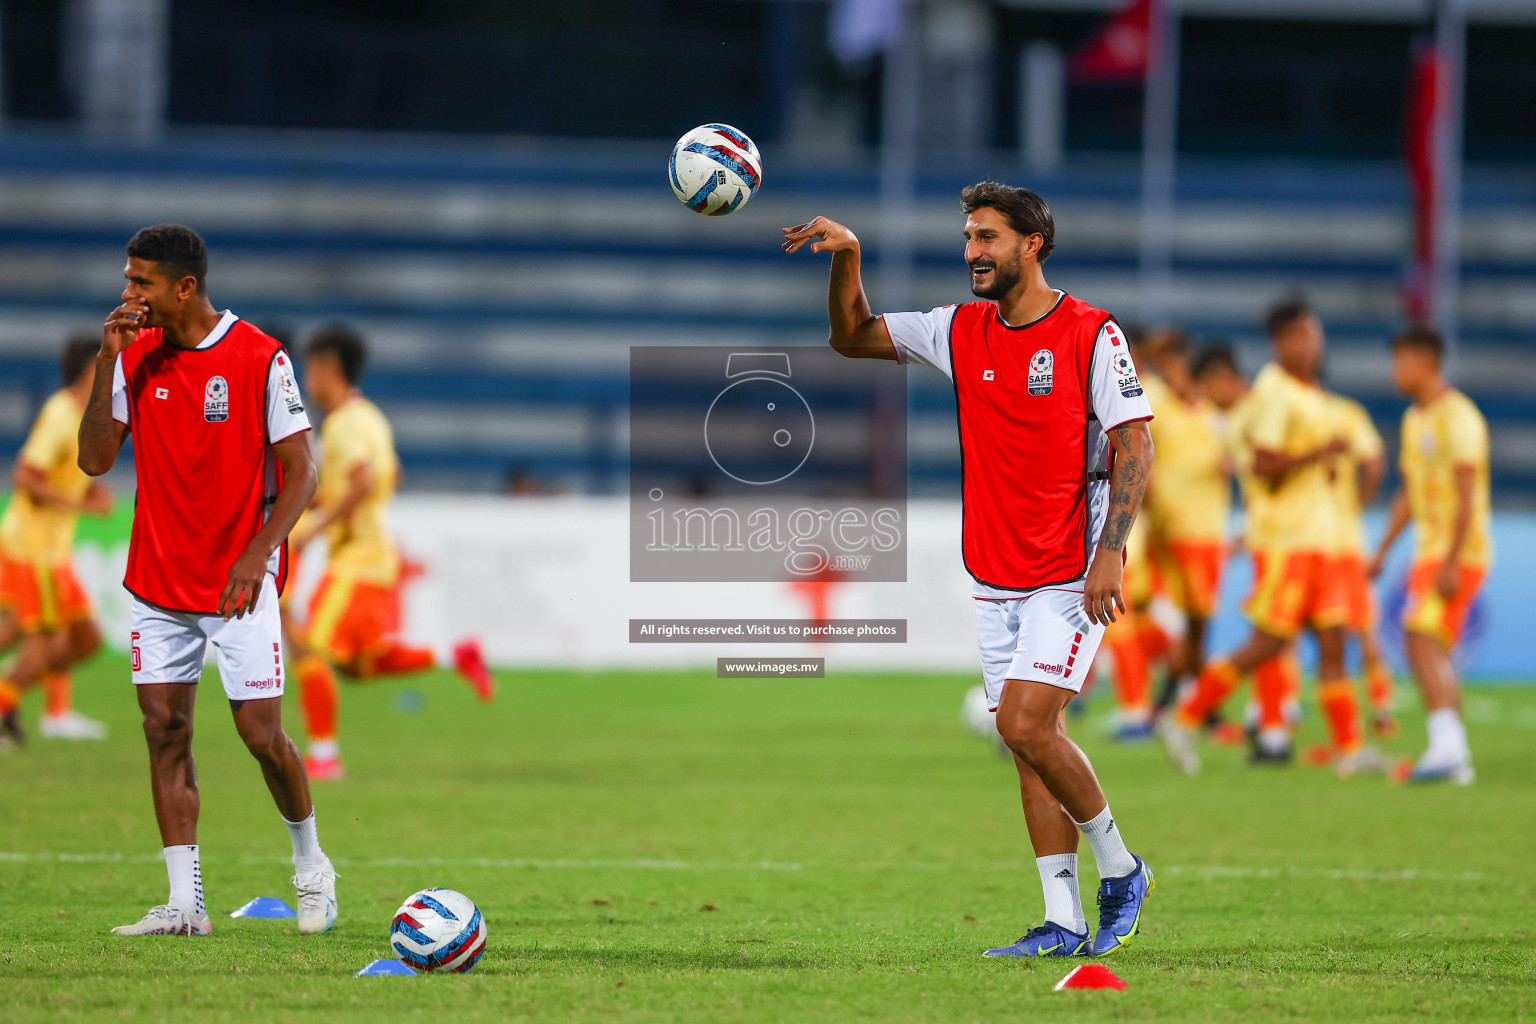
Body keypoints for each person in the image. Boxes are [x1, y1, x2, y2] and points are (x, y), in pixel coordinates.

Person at [784, 182, 1156, 959]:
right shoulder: (957, 330)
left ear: (1033, 244)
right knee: (1026, 743)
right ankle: (1062, 919)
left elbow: (1136, 445)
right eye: (968, 238)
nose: (971, 253)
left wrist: (1111, 551)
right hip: (996, 572)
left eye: (987, 238)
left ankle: (1122, 869)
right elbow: (851, 337)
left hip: (1071, 567)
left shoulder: (1093, 334)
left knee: (1025, 723)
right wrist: (848, 257)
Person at [77, 223, 337, 937]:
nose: (128, 295)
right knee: (165, 731)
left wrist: (259, 552)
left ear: (184, 287)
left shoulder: (258, 356)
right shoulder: (136, 359)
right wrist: (106, 362)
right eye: (128, 280)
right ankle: (185, 904)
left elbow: (304, 469)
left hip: (236, 583)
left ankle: (312, 867)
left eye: (142, 283)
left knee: (261, 736)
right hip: (157, 580)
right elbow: (95, 460)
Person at [1161, 300, 1380, 776]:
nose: (1311, 344)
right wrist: (1319, 453)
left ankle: (1350, 748)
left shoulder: (1307, 394)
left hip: (1319, 540)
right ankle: (1187, 717)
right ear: (1282, 342)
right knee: (1267, 644)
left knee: (1332, 642)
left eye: (1314, 334)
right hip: (1288, 541)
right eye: (1301, 336)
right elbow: (1263, 465)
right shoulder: (1275, 392)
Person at [289, 326, 493, 781]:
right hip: (375, 558)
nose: (307, 380)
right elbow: (390, 475)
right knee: (359, 666)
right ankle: (452, 654)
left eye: (311, 370)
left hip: (357, 560)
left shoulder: (343, 424)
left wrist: (317, 528)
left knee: (307, 646)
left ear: (329, 369)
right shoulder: (372, 418)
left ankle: (323, 757)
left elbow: (363, 482)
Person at [1368, 326, 1491, 785]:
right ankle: (1452, 752)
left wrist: (1454, 559)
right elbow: (1408, 493)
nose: (1395, 371)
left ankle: (1449, 748)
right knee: (1429, 643)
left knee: (1420, 639)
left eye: (1401, 361)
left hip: (1456, 552)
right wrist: (1382, 547)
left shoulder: (1458, 416)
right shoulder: (1416, 419)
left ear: (1425, 360)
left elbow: (1467, 492)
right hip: (1431, 551)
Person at [1190, 345, 1302, 762]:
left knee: (1272, 636)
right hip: (1280, 537)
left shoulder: (1254, 414)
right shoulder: (1245, 416)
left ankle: (1198, 713)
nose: (1205, 399)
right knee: (1276, 636)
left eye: (1206, 388)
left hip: (1285, 538)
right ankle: (1271, 716)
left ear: (1222, 378)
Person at [0, 336, 114, 746]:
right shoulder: (62, 414)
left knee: (85, 640)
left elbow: (56, 476)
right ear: (91, 370)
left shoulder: (84, 415)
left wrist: (87, 494)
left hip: (50, 549)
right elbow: (26, 477)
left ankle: (15, 696)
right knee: (46, 644)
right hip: (34, 548)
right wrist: (81, 506)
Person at [1142, 331, 1230, 718]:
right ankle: (1192, 708)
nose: (1174, 377)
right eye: (1168, 370)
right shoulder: (1160, 411)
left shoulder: (1216, 418)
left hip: (1208, 532)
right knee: (1192, 622)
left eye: (1181, 369)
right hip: (1172, 532)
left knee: (1197, 626)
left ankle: (1175, 703)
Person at [1323, 390, 1394, 739]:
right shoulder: (1348, 413)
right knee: (1365, 631)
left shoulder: (1291, 408)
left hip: (1312, 543)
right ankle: (1382, 709)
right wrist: (1357, 505)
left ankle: (1277, 714)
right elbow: (1376, 463)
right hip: (1347, 542)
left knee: (1287, 633)